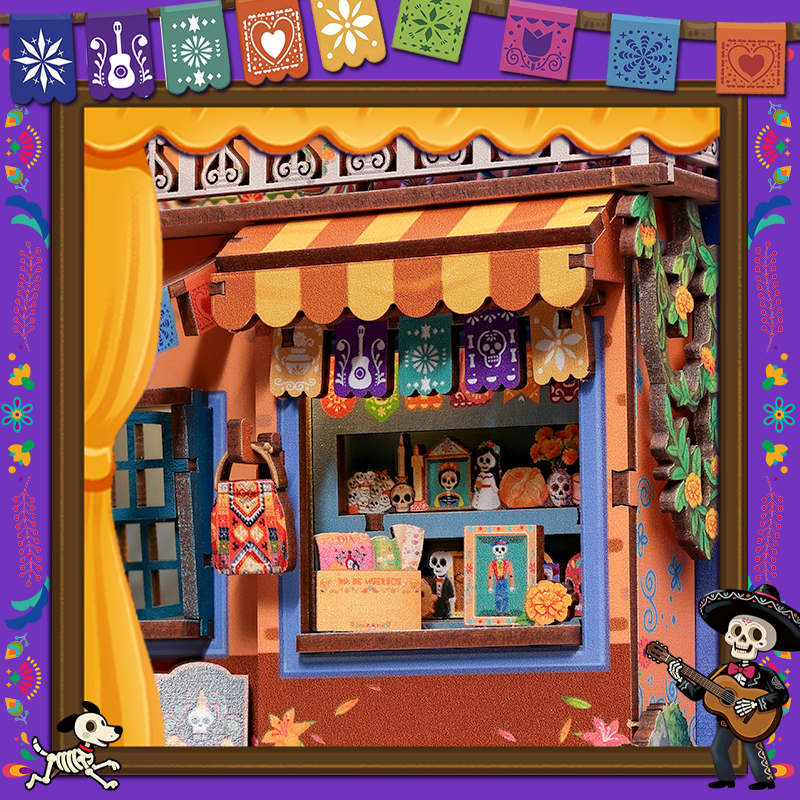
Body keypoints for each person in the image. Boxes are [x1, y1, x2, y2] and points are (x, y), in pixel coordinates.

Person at [669, 583, 800, 790]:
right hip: (727, 721)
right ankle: (726, 779)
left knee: (752, 748)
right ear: (730, 635)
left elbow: (782, 694)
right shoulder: (722, 671)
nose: (742, 640)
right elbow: (697, 693)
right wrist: (679, 679)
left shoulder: (765, 674)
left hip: (754, 719)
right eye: (737, 631)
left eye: (754, 635)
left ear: (765, 643)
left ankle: (765, 781)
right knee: (717, 749)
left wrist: (755, 703)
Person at [487, 539, 514, 614]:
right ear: (494, 551)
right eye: (497, 549)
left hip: (504, 580)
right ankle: (498, 611)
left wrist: (511, 585)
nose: (499, 552)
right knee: (497, 596)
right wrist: (490, 586)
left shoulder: (508, 563)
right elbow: (490, 575)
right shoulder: (492, 563)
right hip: (497, 581)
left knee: (505, 596)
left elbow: (510, 574)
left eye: (502, 549)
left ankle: (506, 611)